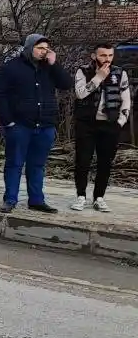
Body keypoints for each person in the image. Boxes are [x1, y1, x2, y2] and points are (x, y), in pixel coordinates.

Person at [0, 33, 74, 214]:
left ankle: (36, 200)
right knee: (14, 163)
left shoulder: (49, 68)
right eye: (40, 48)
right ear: (29, 48)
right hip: (20, 125)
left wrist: (55, 64)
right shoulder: (11, 67)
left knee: (37, 165)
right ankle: (10, 199)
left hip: (45, 125)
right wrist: (8, 122)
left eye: (46, 48)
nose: (44, 52)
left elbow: (66, 84)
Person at [71, 43, 129, 212]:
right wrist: (98, 77)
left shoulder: (120, 73)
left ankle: (99, 197)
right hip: (86, 124)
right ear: (94, 56)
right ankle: (81, 196)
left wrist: (120, 122)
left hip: (109, 125)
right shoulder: (83, 71)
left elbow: (126, 99)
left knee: (105, 163)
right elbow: (80, 93)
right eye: (103, 55)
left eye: (110, 56)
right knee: (83, 161)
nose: (107, 59)